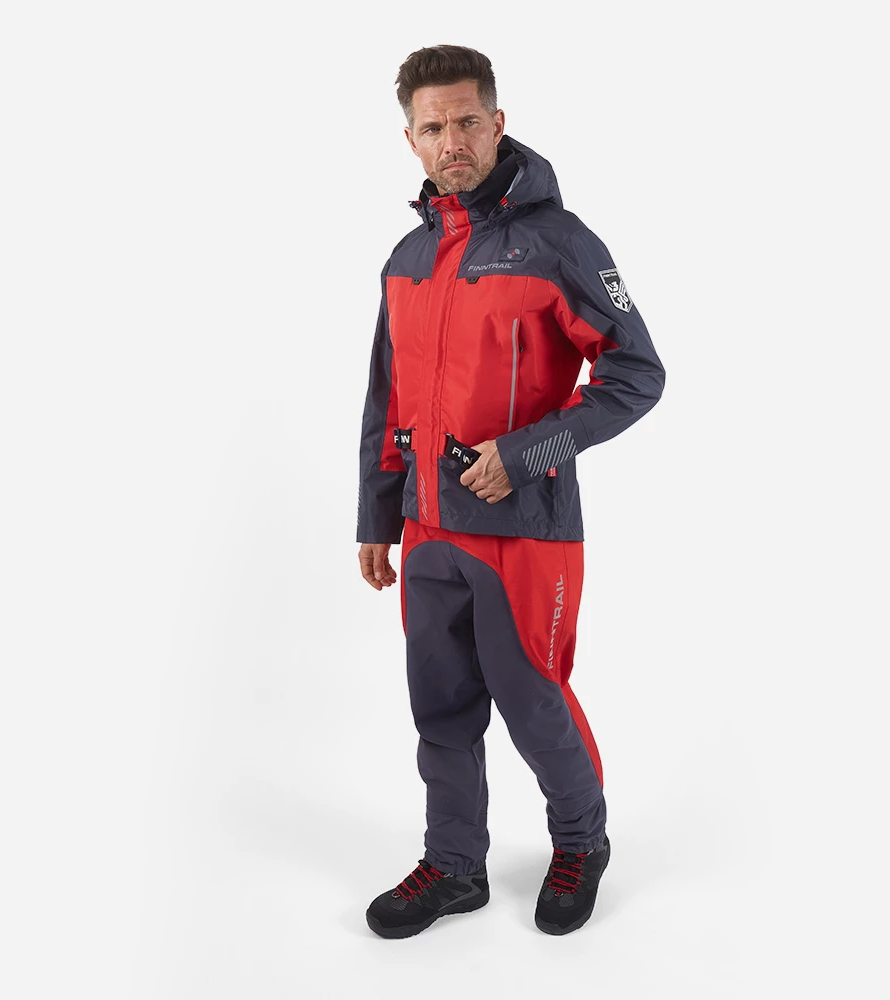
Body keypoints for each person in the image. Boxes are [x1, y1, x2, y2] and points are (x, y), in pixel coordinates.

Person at [356, 44, 665, 938]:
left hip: (525, 528)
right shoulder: (408, 257)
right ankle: (455, 865)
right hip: (429, 528)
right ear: (410, 140)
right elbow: (387, 396)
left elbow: (637, 374)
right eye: (432, 127)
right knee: (441, 706)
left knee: (533, 699)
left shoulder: (560, 243)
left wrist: (527, 454)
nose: (451, 141)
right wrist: (377, 515)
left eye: (466, 121)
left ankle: (582, 840)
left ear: (497, 122)